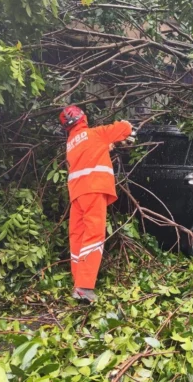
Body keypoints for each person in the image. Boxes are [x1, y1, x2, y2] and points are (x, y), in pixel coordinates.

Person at [60, 106, 132, 302]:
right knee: (94, 235)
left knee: (78, 236)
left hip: (78, 194)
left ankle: (78, 283)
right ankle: (84, 287)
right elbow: (124, 128)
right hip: (93, 190)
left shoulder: (71, 144)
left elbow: (89, 152)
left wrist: (106, 146)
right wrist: (126, 123)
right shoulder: (96, 133)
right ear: (83, 118)